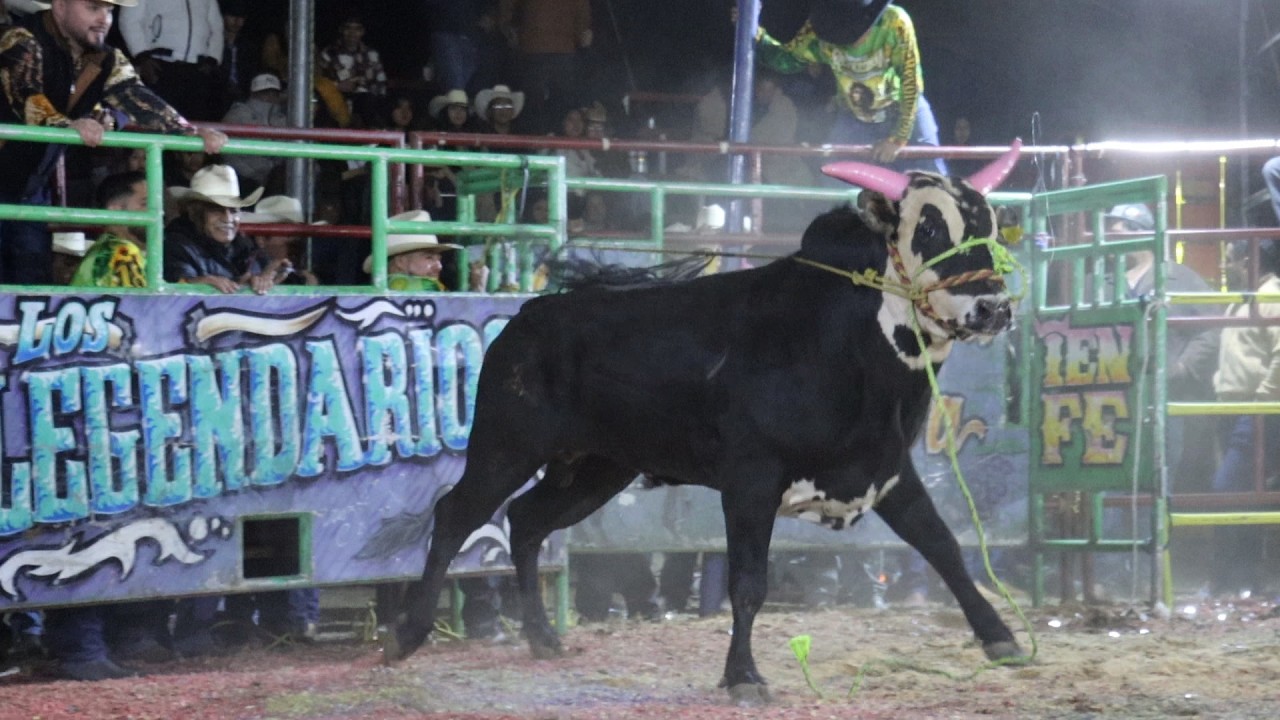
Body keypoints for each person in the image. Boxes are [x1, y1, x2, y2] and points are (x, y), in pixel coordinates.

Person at [0, 0, 227, 285]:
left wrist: (187, 131)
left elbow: (135, 95)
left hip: (28, 188)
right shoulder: (20, 39)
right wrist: (69, 125)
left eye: (108, 11)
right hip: (22, 183)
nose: (104, 19)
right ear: (59, 6)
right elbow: (27, 97)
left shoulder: (106, 57)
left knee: (29, 284)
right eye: (93, 8)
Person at [752, 0, 946, 174]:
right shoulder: (820, 35)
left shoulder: (895, 23)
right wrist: (756, 36)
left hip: (902, 110)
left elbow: (910, 82)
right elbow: (787, 59)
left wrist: (898, 138)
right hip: (856, 118)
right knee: (834, 175)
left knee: (934, 174)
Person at [1209, 238, 1280, 596]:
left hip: (1253, 410)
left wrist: (1263, 398)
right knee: (1246, 494)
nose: (1226, 267)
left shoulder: (1268, 297)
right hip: (1237, 408)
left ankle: (1223, 579)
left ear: (1249, 260)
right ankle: (1246, 579)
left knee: (1226, 491)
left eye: (1231, 259)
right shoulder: (1251, 298)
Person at [162, 164, 290, 294]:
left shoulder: (245, 246)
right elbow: (174, 289)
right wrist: (199, 283)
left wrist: (271, 274)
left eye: (234, 211)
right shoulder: (175, 244)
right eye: (216, 210)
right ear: (194, 212)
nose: (228, 218)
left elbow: (274, 273)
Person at [118, 0, 224, 121]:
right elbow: (128, 20)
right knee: (159, 121)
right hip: (160, 66)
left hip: (198, 70)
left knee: (196, 125)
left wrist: (213, 59)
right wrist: (142, 56)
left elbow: (216, 26)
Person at [497, 0, 592, 134]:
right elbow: (583, 17)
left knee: (536, 103)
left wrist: (507, 27)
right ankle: (545, 143)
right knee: (550, 102)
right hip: (552, 49)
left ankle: (539, 143)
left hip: (539, 49)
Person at [71, 170, 147, 287]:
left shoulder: (109, 247)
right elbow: (138, 304)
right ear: (116, 210)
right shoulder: (122, 252)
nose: (158, 213)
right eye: (145, 204)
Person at [363, 210, 463, 291]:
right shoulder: (426, 287)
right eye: (429, 257)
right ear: (400, 262)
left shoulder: (385, 286)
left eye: (438, 259)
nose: (439, 267)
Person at [222, 73, 287, 192]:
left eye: (274, 93)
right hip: (244, 181)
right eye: (264, 93)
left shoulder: (283, 119)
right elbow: (231, 157)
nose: (269, 97)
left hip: (276, 182)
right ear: (253, 94)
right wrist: (258, 179)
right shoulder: (237, 115)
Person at [317, 16, 387, 127]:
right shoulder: (329, 53)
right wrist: (337, 86)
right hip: (337, 99)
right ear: (341, 30)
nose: (352, 33)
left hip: (364, 102)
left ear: (362, 32)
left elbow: (381, 83)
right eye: (348, 28)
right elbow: (318, 80)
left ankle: (372, 141)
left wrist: (366, 90)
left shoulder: (372, 55)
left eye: (357, 29)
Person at [240, 194, 320, 286]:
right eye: (287, 234)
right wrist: (263, 281)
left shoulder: (300, 272)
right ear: (260, 239)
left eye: (298, 234)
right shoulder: (244, 265)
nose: (295, 239)